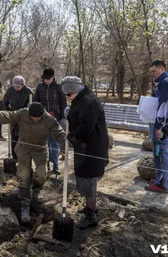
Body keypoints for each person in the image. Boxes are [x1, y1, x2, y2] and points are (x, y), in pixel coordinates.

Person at [0, 102, 66, 223]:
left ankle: (36, 191)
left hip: (40, 150)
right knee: (24, 175)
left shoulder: (50, 120)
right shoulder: (23, 113)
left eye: (37, 117)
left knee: (41, 175)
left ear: (42, 115)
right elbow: (10, 116)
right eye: (32, 117)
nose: (34, 119)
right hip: (23, 148)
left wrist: (64, 147)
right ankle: (24, 203)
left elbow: (59, 134)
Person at [60, 76, 109, 229]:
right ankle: (90, 207)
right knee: (84, 177)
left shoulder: (89, 101)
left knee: (89, 180)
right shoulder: (80, 99)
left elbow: (86, 127)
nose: (67, 98)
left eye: (69, 95)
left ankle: (91, 216)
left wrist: (70, 137)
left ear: (75, 90)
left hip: (92, 147)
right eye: (66, 95)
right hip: (84, 146)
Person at [145, 60, 168, 194]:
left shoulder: (166, 83)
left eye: (154, 71)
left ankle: (162, 184)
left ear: (162, 69)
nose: (152, 74)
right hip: (167, 123)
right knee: (158, 152)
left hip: (164, 125)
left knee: (161, 153)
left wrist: (158, 127)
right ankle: (159, 179)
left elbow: (165, 106)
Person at [34, 68, 67, 174]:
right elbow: (36, 101)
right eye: (45, 79)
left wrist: (62, 117)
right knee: (43, 142)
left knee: (54, 143)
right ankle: (44, 163)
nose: (46, 81)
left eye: (48, 79)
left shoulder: (59, 87)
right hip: (42, 118)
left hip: (55, 118)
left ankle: (55, 164)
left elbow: (63, 103)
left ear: (53, 78)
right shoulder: (39, 86)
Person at [3, 76, 34, 160]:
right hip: (13, 116)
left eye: (18, 86)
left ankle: (24, 158)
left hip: (24, 117)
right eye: (15, 86)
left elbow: (33, 105)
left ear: (22, 85)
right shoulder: (10, 91)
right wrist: (8, 113)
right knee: (14, 137)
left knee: (23, 138)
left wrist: (28, 111)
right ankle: (14, 157)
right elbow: (4, 103)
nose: (16, 88)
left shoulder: (28, 91)